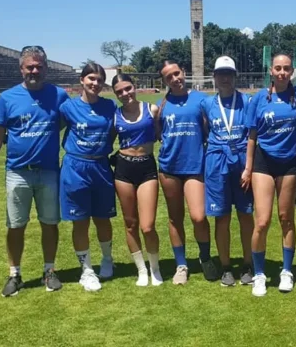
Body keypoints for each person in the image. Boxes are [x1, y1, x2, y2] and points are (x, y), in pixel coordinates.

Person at [0, 46, 69, 297]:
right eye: (30, 66)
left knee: (49, 223)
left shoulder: (59, 95)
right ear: (21, 69)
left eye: (39, 66)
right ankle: (15, 274)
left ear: (46, 68)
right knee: (16, 225)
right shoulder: (8, 97)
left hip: (49, 171)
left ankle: (49, 271)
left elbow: (68, 121)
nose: (35, 70)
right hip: (17, 172)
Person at [244, 53, 296, 297]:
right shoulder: (259, 99)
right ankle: (259, 274)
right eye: (278, 68)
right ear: (271, 70)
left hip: (290, 163)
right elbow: (252, 136)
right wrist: (248, 167)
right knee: (262, 221)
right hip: (263, 162)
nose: (282, 72)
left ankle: (287, 271)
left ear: (292, 72)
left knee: (286, 218)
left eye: (287, 68)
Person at [156, 61, 218, 285]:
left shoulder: (201, 100)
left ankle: (205, 258)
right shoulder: (161, 105)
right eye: (169, 77)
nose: (175, 79)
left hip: (195, 166)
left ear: (183, 72)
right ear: (165, 81)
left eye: (177, 73)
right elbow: (158, 133)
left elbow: (210, 128)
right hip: (169, 168)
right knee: (175, 218)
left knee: (198, 216)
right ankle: (181, 265)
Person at [59, 63, 117, 292]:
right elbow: (53, 129)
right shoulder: (68, 108)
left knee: (103, 218)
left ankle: (107, 259)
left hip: (101, 166)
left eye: (99, 80)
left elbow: (116, 130)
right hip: (76, 167)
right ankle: (87, 270)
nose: (95, 83)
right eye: (91, 78)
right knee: (80, 221)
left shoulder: (109, 106)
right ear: (82, 80)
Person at [201, 56, 254, 287]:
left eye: (229, 74)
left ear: (235, 76)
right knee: (221, 217)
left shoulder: (248, 101)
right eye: (221, 74)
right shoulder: (206, 104)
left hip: (242, 160)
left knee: (245, 215)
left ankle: (248, 264)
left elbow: (253, 134)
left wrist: (249, 167)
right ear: (214, 77)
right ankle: (225, 267)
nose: (225, 78)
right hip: (217, 161)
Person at [112, 74, 163, 287]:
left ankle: (155, 269)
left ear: (135, 87)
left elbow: (161, 135)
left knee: (148, 226)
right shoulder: (115, 116)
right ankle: (141, 270)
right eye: (120, 92)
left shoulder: (152, 110)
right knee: (130, 224)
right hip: (123, 169)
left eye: (128, 88)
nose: (125, 94)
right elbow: (106, 142)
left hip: (146, 168)